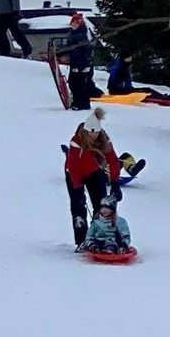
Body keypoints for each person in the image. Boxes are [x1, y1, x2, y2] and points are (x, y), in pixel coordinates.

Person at [63, 108, 121, 250]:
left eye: (96, 132)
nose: (93, 135)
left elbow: (112, 160)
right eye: (90, 131)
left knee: (101, 204)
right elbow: (73, 167)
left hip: (94, 171)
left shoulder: (104, 140)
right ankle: (81, 240)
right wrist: (78, 190)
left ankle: (101, 236)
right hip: (74, 174)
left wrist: (115, 183)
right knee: (78, 208)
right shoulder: (76, 142)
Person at [59, 13, 97, 110]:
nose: (73, 26)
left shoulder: (81, 36)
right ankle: (77, 102)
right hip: (75, 63)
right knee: (74, 83)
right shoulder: (73, 35)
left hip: (81, 65)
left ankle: (81, 104)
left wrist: (80, 64)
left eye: (75, 24)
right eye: (72, 24)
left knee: (79, 85)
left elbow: (83, 52)